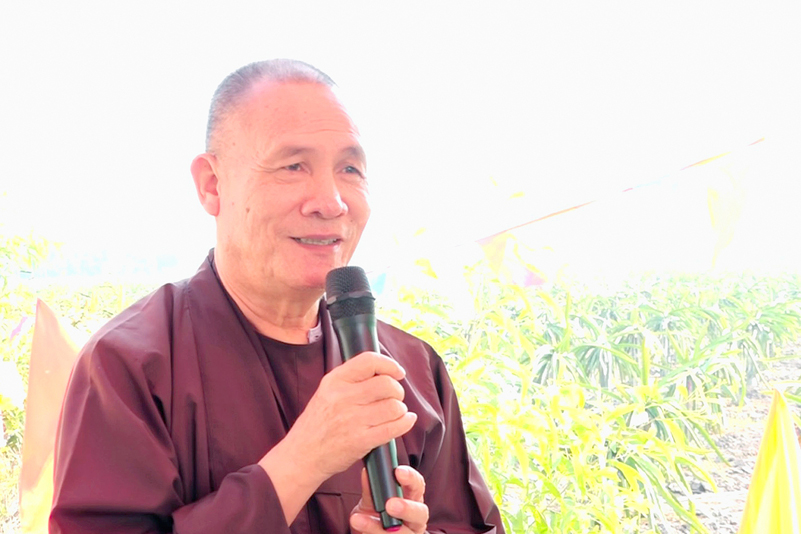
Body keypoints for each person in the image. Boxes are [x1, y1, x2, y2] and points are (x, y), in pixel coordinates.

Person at [50, 59, 504, 534]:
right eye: (293, 166)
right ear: (212, 184)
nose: (331, 202)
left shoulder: (412, 371)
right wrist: (301, 460)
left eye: (350, 168)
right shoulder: (131, 366)